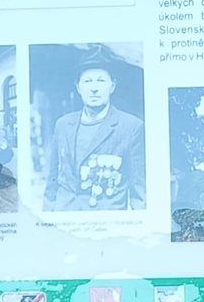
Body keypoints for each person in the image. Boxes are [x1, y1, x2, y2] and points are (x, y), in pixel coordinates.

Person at [43, 57, 145, 210]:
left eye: (101, 81)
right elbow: (51, 185)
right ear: (78, 87)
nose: (94, 88)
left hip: (105, 220)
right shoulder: (62, 125)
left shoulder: (131, 127)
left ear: (112, 86)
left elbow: (140, 195)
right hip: (65, 216)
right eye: (87, 81)